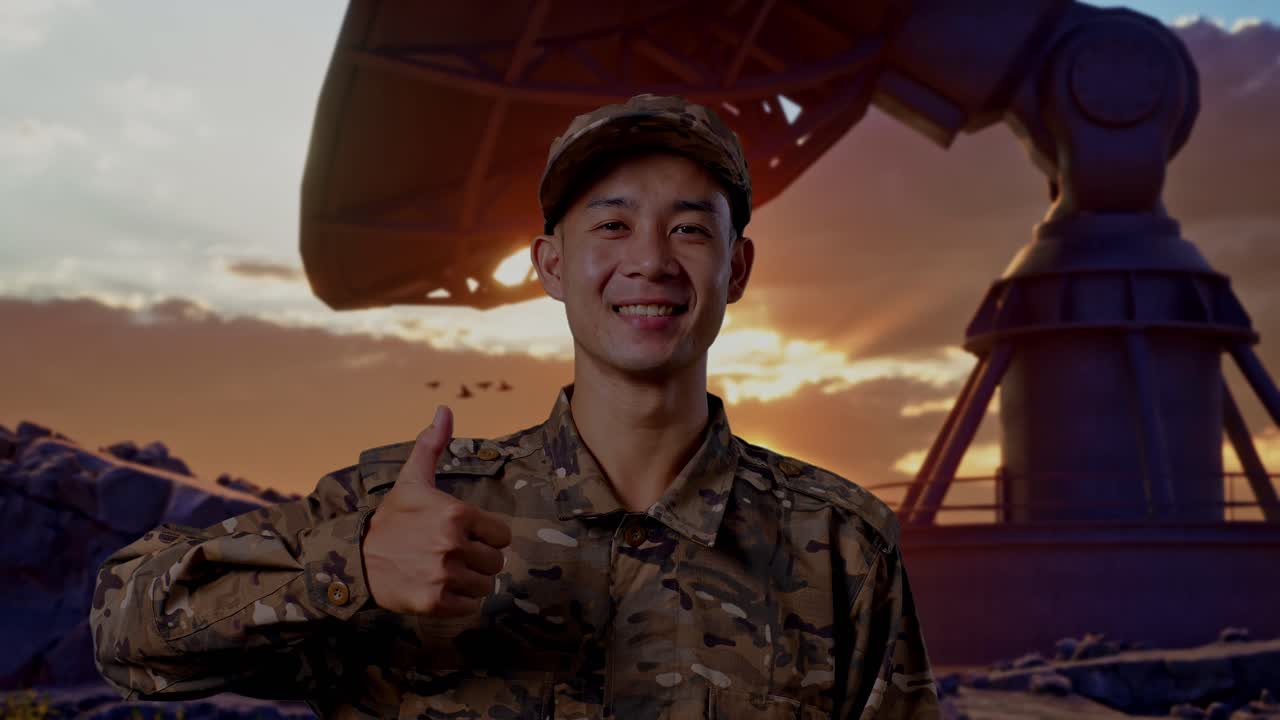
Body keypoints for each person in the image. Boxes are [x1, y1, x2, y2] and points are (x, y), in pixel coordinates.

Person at [90, 94, 940, 719]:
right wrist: (348, 571)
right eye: (610, 226)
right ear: (549, 266)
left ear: (738, 269)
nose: (650, 260)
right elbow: (126, 635)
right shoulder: (404, 513)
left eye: (689, 229)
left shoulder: (838, 546)